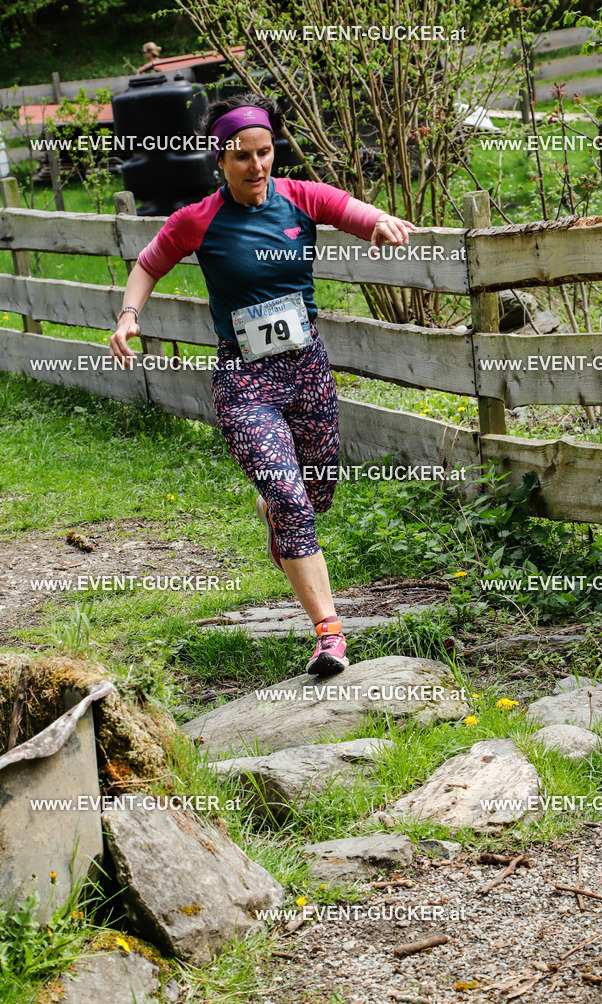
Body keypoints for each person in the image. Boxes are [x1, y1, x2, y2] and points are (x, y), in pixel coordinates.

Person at [109, 93, 414, 676]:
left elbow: (351, 208)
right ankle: (330, 635)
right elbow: (148, 263)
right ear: (219, 161)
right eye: (242, 156)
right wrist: (130, 315)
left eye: (265, 152)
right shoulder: (197, 219)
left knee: (316, 494)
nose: (257, 166)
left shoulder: (299, 197)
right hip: (244, 379)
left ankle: (278, 510)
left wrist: (378, 220)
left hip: (307, 369)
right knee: (291, 497)